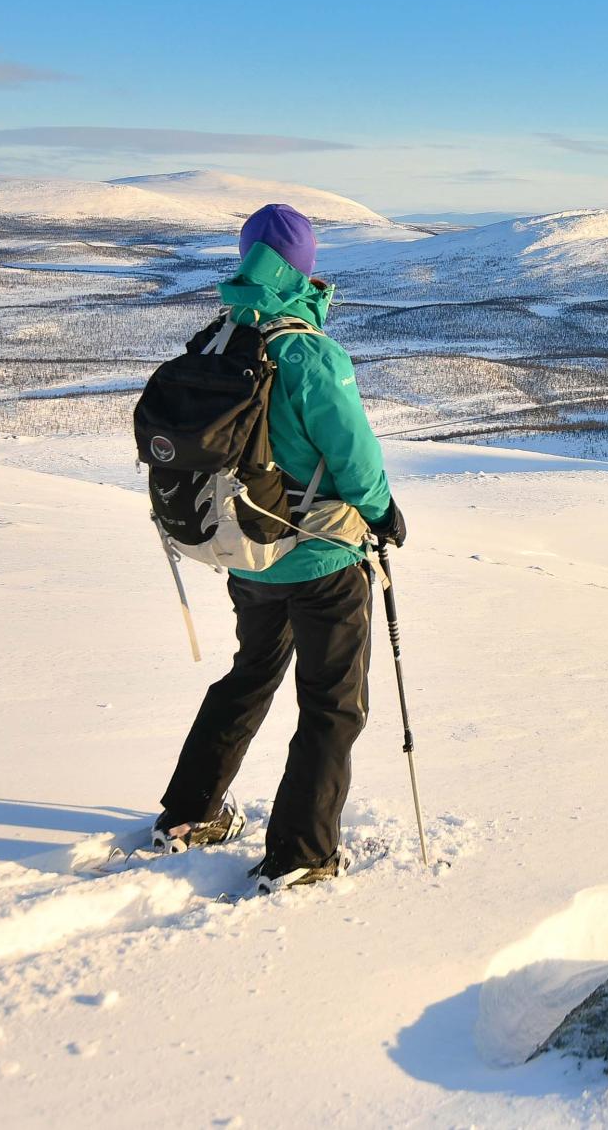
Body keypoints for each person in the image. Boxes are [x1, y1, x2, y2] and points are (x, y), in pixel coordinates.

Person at [152, 203, 407, 893]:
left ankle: (189, 812)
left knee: (250, 674)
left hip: (246, 552)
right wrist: (385, 514)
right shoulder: (307, 352)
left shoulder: (217, 337)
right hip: (322, 559)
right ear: (306, 267)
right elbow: (354, 458)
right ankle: (301, 851)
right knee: (333, 703)